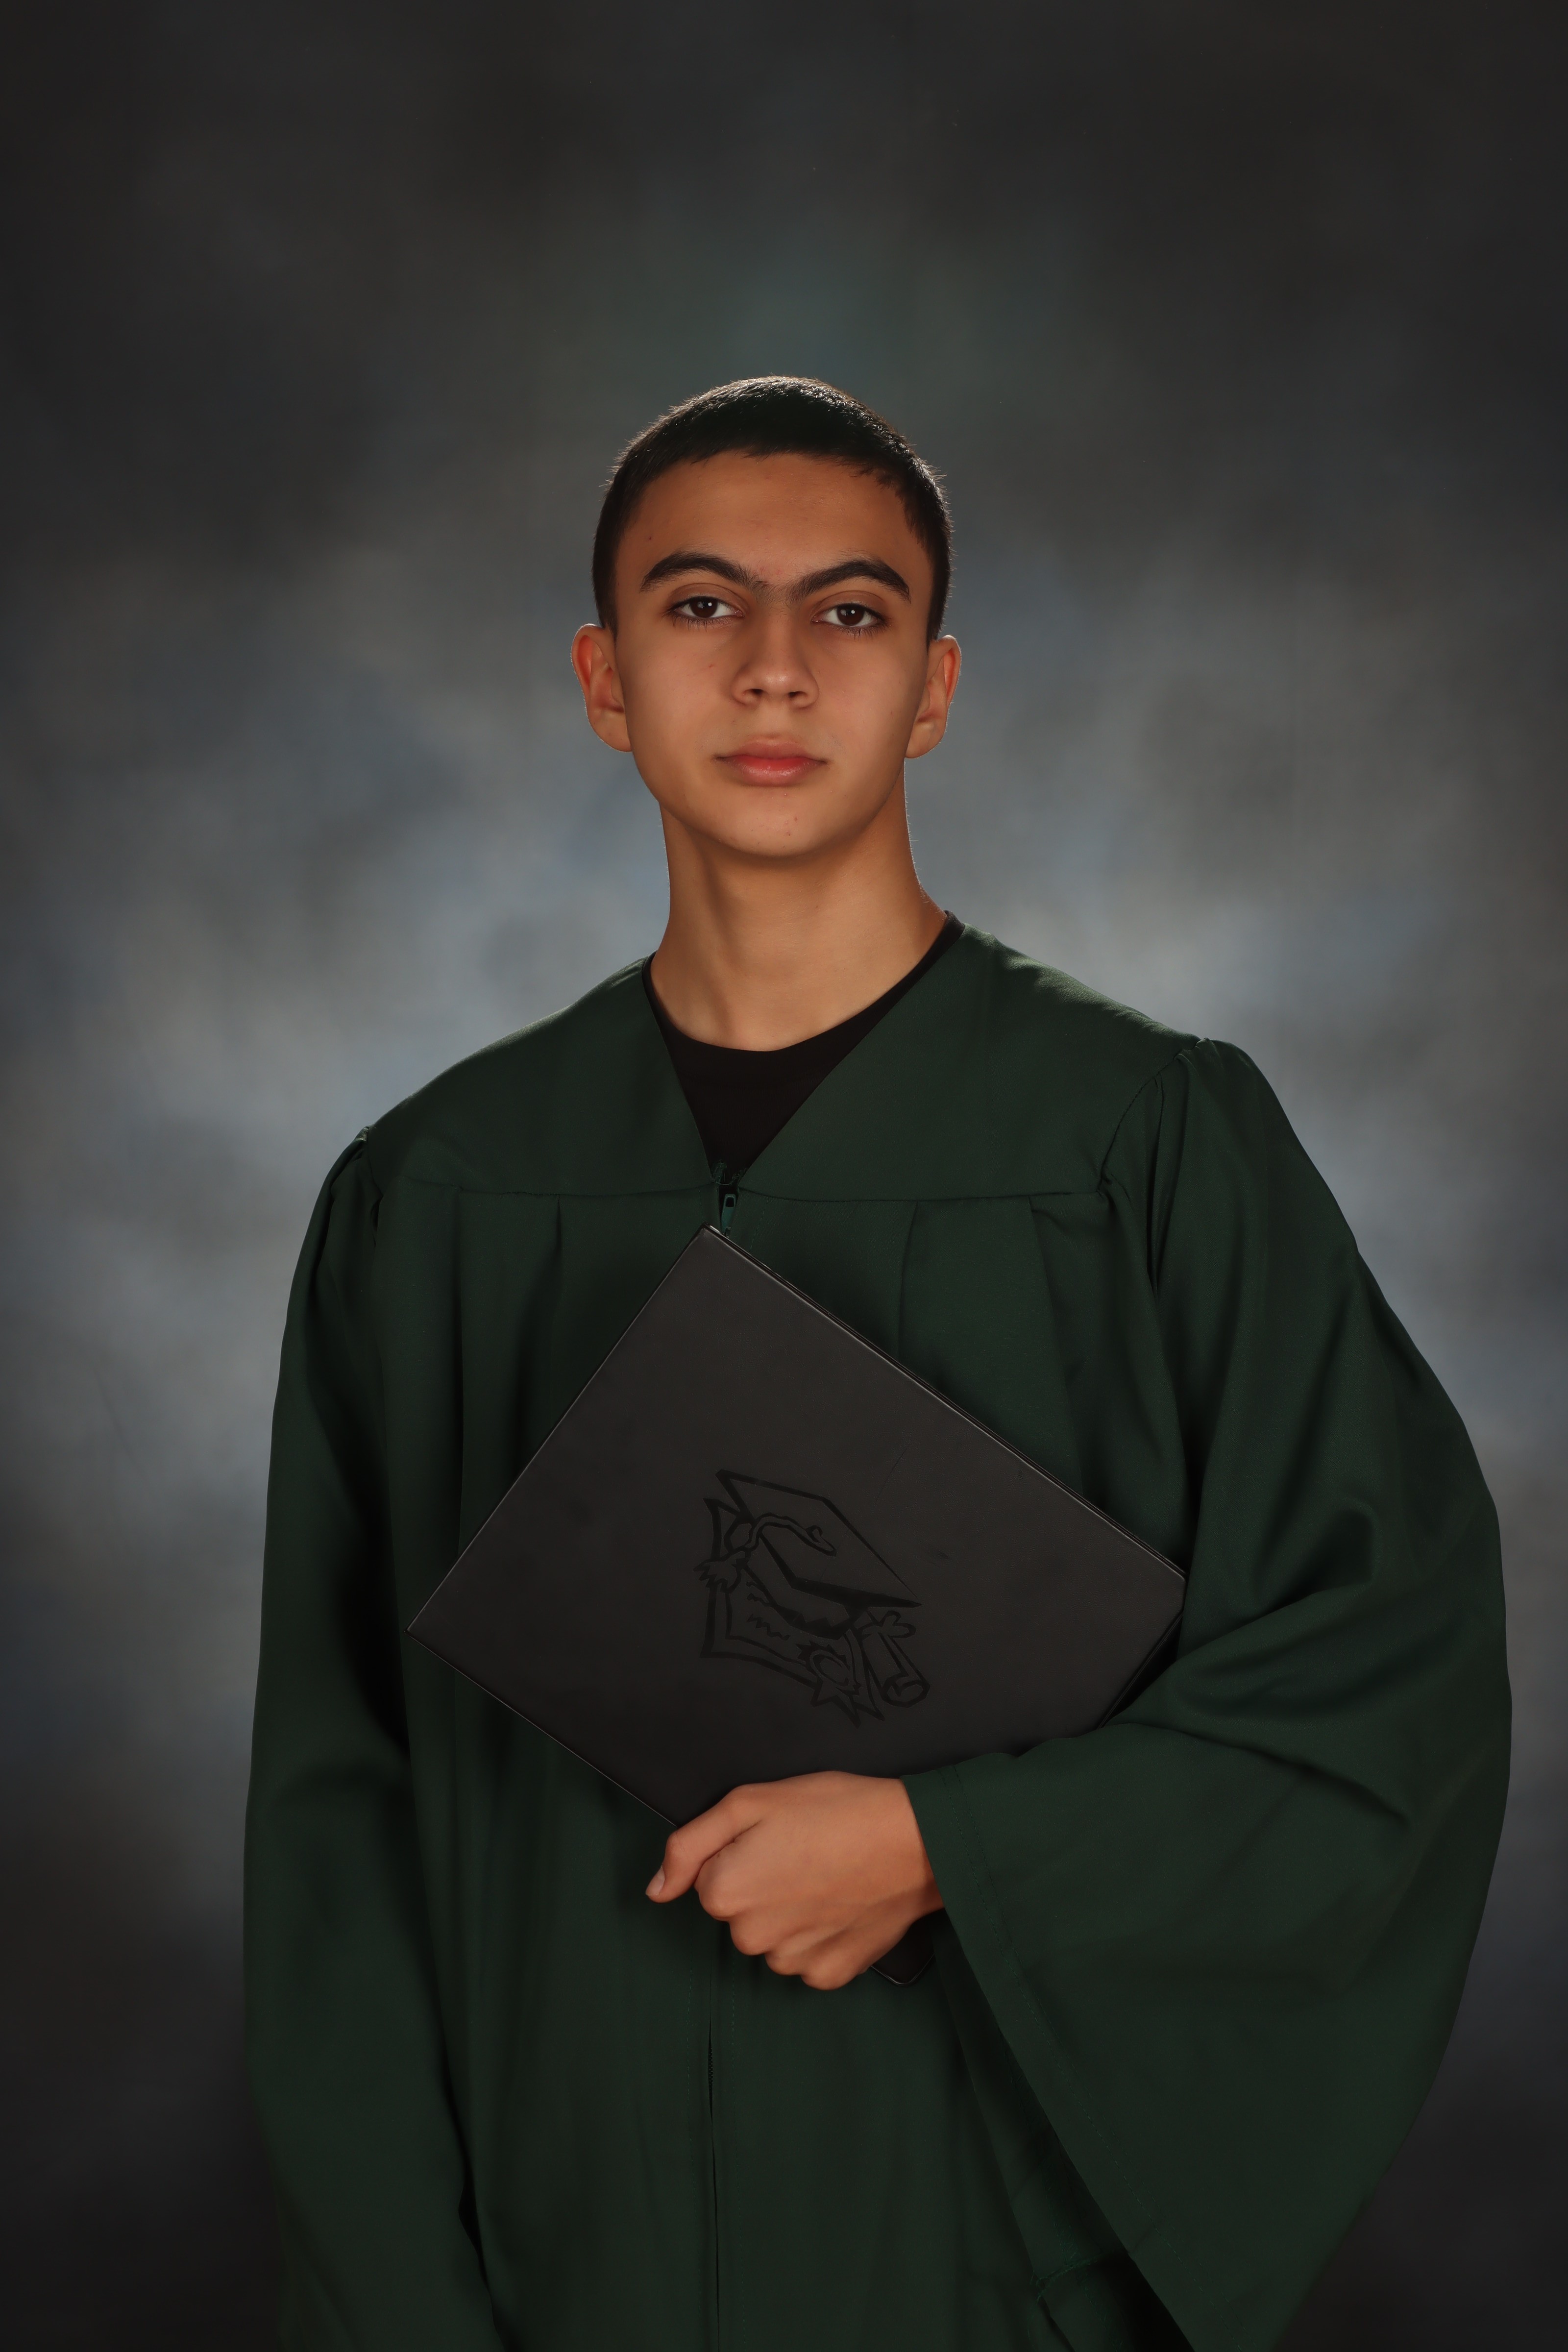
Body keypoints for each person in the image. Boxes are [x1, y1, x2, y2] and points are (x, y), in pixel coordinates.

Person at [245, 378, 1510, 2352]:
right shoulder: (434, 1199)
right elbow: (337, 1831)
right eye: (699, 606)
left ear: (932, 689)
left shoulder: (1148, 1147)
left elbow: (1382, 1691)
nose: (774, 668)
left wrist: (951, 1848)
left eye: (849, 611)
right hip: (552, 2269)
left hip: (980, 2262)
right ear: (602, 680)